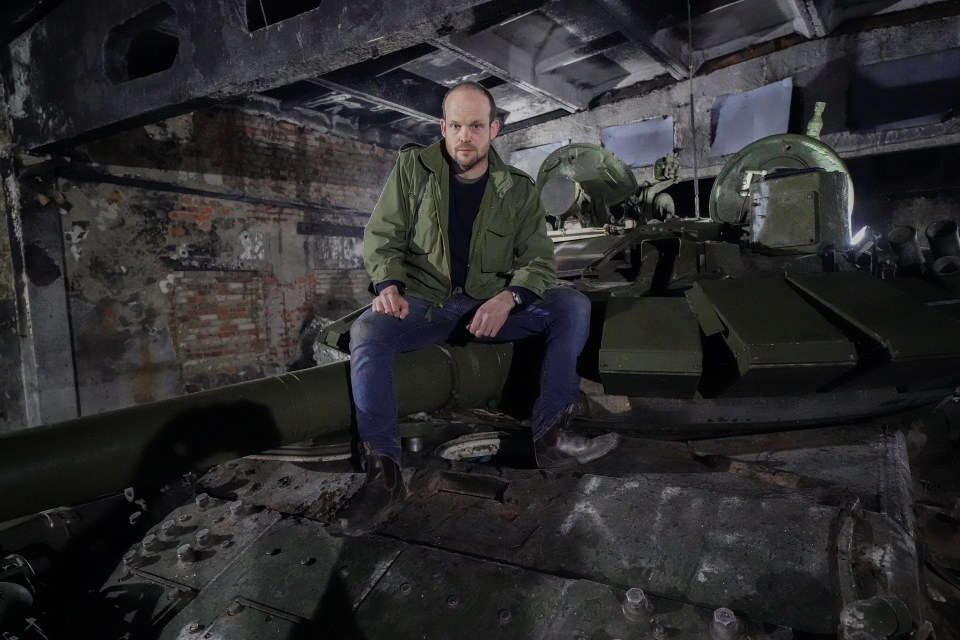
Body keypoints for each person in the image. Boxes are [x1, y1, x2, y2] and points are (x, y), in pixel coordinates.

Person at [329, 81, 619, 537]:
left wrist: (511, 297)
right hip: (427, 304)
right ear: (443, 128)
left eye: (477, 126)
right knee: (367, 333)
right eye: (457, 126)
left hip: (490, 305)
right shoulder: (412, 169)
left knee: (572, 305)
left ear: (494, 129)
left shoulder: (518, 189)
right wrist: (387, 283)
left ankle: (551, 438)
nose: (466, 137)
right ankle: (384, 476)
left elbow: (539, 262)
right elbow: (383, 235)